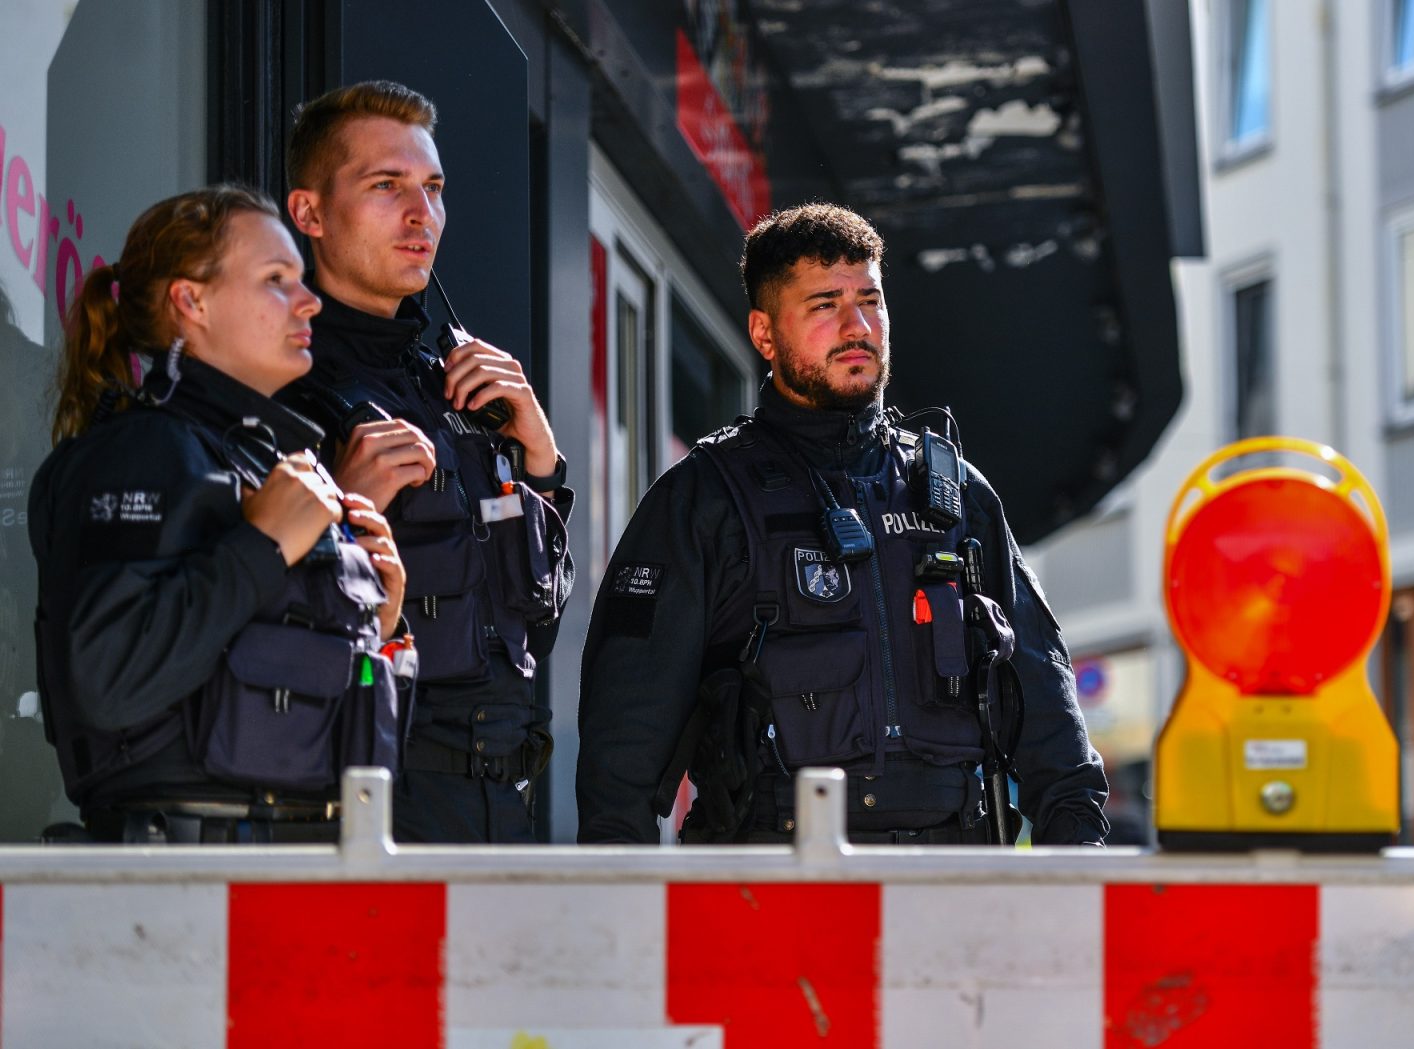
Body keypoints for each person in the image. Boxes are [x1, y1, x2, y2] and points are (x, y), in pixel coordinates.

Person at [577, 203, 1109, 845]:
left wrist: (1080, 857)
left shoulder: (955, 493)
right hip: (770, 884)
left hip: (949, 881)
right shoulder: (704, 498)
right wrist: (621, 893)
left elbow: (1047, 706)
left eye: (870, 301)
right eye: (825, 305)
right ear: (764, 334)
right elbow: (624, 747)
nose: (857, 326)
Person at [29, 185, 407, 844]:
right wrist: (263, 545)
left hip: (300, 859)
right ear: (191, 302)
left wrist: (380, 620)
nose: (309, 300)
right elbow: (108, 680)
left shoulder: (257, 457)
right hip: (185, 870)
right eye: (276, 280)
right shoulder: (141, 450)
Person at [279, 81, 573, 844]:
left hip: (502, 805)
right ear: (309, 213)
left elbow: (532, 627)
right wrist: (338, 508)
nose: (422, 214)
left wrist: (541, 462)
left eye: (434, 188)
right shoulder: (281, 385)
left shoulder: (459, 384)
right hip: (363, 802)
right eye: (387, 186)